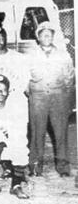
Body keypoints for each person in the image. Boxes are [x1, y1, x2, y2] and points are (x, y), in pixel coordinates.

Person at [28, 22, 75, 177]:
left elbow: (69, 78)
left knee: (60, 132)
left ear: (53, 36)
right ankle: (36, 166)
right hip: (38, 98)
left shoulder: (63, 54)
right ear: (38, 37)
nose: (46, 36)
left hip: (58, 97)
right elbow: (24, 78)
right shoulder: (31, 55)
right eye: (43, 34)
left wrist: (66, 100)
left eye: (49, 34)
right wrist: (32, 95)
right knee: (37, 132)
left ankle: (63, 166)